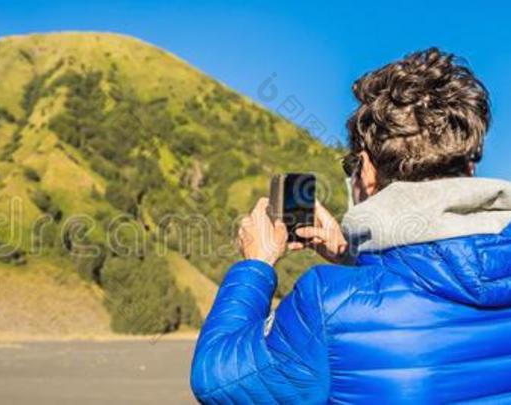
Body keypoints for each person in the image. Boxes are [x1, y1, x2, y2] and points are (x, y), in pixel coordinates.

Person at [190, 48, 511, 404]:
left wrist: (256, 264)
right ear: (468, 167)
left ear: (367, 170)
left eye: (350, 166)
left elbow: (216, 379)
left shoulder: (327, 301)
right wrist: (351, 253)